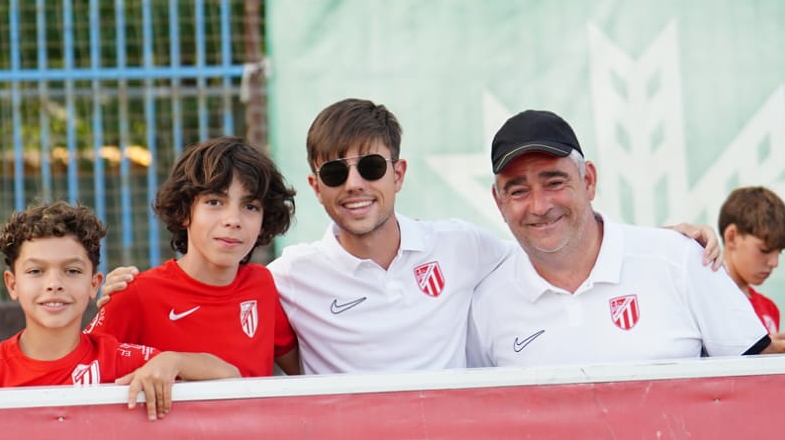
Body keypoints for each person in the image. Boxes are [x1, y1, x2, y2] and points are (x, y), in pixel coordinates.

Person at [262, 98, 723, 374]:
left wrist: (658, 244)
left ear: (398, 174)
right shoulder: (289, 278)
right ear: (316, 187)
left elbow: (552, 242)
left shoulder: (462, 247)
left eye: (371, 167)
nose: (354, 184)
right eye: (336, 173)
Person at [468, 109, 769, 366]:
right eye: (518, 191)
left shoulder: (680, 259)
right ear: (499, 202)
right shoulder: (486, 304)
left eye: (555, 183)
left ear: (588, 180)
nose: (540, 206)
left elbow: (763, 382)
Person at [0, 202, 238, 418]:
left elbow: (231, 377)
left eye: (72, 271)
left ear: (94, 284)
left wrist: (174, 361)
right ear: (12, 284)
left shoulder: (122, 362)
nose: (54, 284)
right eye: (35, 271)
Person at [88, 136, 298, 377]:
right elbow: (76, 377)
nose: (233, 220)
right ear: (184, 212)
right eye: (215, 202)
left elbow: (309, 373)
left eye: (250, 206)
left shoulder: (262, 285)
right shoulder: (134, 294)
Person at [718, 185, 785, 351]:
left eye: (779, 252)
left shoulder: (770, 308)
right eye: (765, 250)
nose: (774, 262)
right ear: (732, 237)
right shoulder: (707, 299)